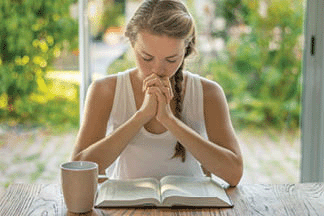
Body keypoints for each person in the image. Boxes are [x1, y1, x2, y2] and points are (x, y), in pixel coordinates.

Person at [71, 0, 243, 186]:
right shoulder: (105, 90)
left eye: (171, 59)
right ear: (131, 43)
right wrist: (141, 116)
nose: (157, 69)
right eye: (147, 58)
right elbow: (77, 170)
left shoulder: (209, 93)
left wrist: (169, 120)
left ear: (185, 49)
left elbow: (233, 174)